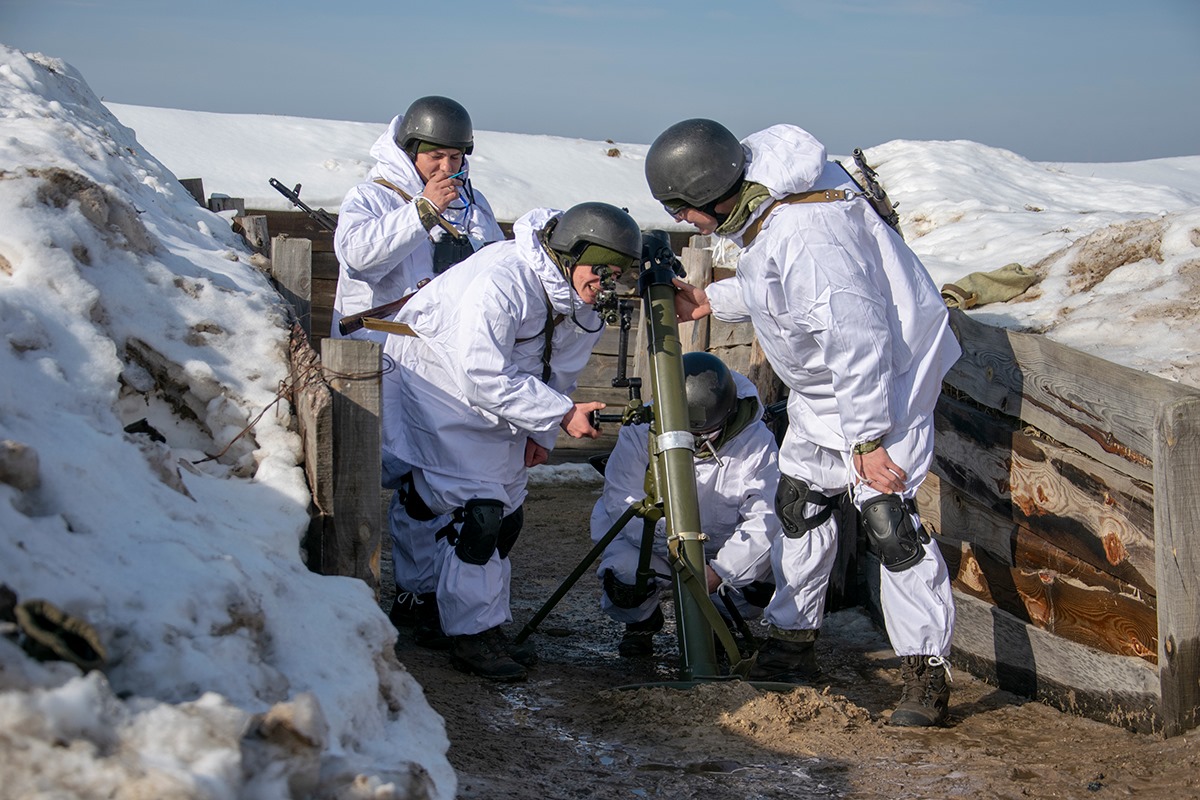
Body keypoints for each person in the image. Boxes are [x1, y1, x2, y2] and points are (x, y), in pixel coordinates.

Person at [646, 119, 961, 727]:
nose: (683, 219)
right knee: (800, 506)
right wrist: (712, 299)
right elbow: (777, 288)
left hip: (885, 385)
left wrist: (867, 438)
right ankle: (792, 643)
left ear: (713, 192)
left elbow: (858, 336)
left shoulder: (807, 232)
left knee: (888, 521)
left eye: (683, 208)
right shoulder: (768, 205)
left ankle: (925, 670)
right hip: (824, 389)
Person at [382, 202, 642, 681]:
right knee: (480, 513)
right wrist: (558, 414)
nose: (607, 283)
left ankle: (440, 605)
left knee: (505, 517)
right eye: (602, 270)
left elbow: (560, 369)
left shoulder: (579, 303)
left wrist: (540, 431)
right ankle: (469, 633)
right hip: (439, 386)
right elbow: (480, 372)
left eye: (617, 274)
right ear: (572, 253)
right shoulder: (503, 281)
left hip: (502, 398)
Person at [330, 96, 504, 645]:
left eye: (456, 157)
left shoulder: (474, 205)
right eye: (436, 157)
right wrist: (421, 211)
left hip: (444, 361)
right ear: (412, 151)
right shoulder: (371, 196)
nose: (447, 167)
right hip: (381, 359)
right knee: (371, 472)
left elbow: (496, 267)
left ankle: (422, 592)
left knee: (427, 479)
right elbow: (358, 256)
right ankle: (352, 592)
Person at [590, 352, 781, 658]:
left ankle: (717, 619)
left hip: (719, 553)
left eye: (706, 433)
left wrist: (722, 570)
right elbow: (620, 498)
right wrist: (676, 550)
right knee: (624, 579)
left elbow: (766, 517)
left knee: (758, 584)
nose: (699, 440)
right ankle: (642, 622)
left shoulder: (755, 441)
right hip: (656, 546)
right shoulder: (640, 430)